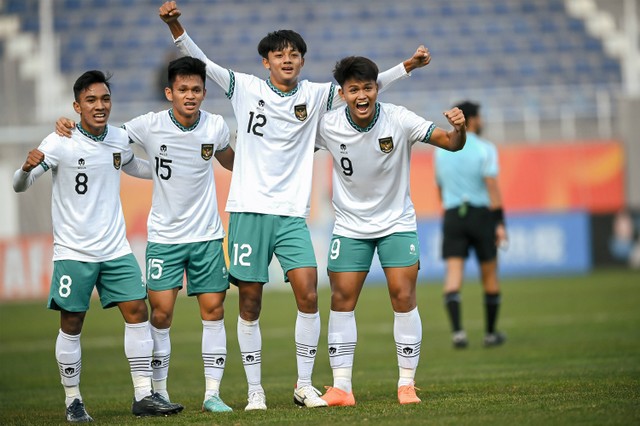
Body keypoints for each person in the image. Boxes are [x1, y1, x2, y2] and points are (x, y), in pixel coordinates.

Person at [158, 0, 431, 410]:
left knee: (308, 293)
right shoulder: (243, 87)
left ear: (302, 62)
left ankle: (304, 384)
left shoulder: (317, 96)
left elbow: (362, 87)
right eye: (279, 54)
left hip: (291, 215)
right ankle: (255, 391)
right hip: (249, 210)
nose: (287, 60)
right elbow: (202, 61)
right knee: (250, 301)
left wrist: (405, 68)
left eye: (294, 55)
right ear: (266, 61)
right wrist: (176, 26)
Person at [55, 57, 235, 413]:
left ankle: (212, 393)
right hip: (164, 238)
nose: (190, 95)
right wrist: (70, 127)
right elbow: (104, 133)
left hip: (207, 236)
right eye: (182, 89)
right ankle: (159, 391)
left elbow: (231, 161)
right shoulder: (147, 126)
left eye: (196, 89)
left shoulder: (215, 126)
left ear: (204, 92)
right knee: (161, 314)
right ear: (170, 93)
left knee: (214, 311)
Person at [13, 70, 183, 422]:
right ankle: (73, 400)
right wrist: (24, 169)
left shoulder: (119, 139)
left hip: (115, 249)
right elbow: (21, 186)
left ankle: (143, 396)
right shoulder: (60, 140)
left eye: (105, 98)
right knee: (72, 323)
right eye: (91, 100)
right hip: (74, 253)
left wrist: (170, 168)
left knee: (138, 312)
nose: (100, 105)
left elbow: (133, 165)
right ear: (77, 106)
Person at [314, 56, 466, 406]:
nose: (362, 95)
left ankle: (407, 385)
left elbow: (451, 143)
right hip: (350, 226)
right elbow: (289, 143)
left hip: (396, 222)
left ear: (377, 88)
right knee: (341, 300)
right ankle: (341, 388)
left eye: (368, 87)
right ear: (343, 94)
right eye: (354, 89)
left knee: (402, 295)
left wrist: (461, 129)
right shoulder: (327, 125)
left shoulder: (400, 118)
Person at [434, 100, 508, 349]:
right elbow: (492, 187)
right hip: (481, 215)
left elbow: (440, 188)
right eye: (481, 117)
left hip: (453, 215)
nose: (482, 121)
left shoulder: (441, 150)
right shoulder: (485, 148)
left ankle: (458, 333)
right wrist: (500, 223)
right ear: (473, 119)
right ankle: (490, 333)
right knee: (489, 275)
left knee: (453, 276)